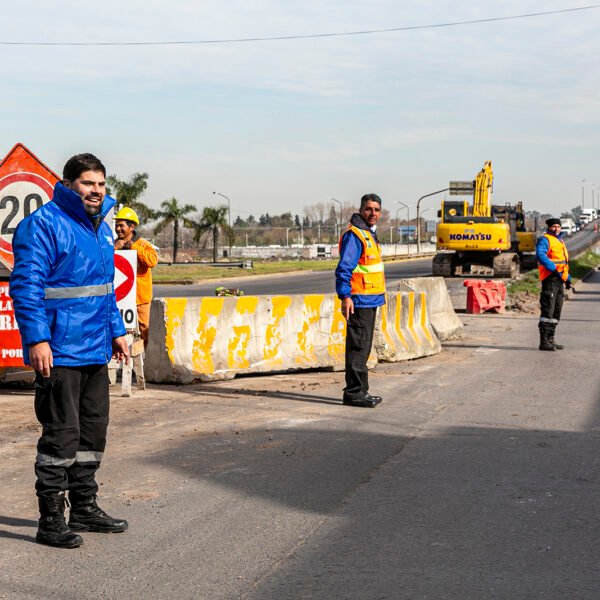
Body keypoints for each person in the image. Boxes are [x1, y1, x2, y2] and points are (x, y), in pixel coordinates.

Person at [9, 153, 130, 549]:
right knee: (61, 436)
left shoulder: (100, 228)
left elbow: (103, 289)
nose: (96, 191)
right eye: (87, 183)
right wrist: (37, 339)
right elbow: (26, 288)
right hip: (59, 350)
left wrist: (117, 331)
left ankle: (84, 507)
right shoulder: (42, 225)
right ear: (68, 184)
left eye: (100, 184)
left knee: (93, 432)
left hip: (95, 348)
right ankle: (51, 520)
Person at [335, 193, 386, 408]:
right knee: (357, 349)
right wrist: (345, 296)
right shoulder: (355, 235)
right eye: (368, 209)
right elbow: (344, 269)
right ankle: (354, 393)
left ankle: (361, 391)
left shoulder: (368, 234)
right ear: (361, 210)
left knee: (363, 349)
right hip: (358, 300)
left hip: (370, 300)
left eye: (376, 210)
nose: (372, 213)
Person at [113, 207, 158, 347]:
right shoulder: (113, 244)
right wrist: (115, 248)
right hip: (120, 299)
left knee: (145, 331)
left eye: (121, 225)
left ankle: (145, 360)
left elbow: (152, 261)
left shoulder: (143, 244)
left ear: (131, 226)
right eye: (116, 225)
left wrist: (134, 248)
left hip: (140, 299)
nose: (118, 229)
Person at [536, 217, 571, 351]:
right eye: (554, 227)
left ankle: (551, 339)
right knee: (548, 309)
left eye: (558, 226)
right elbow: (541, 255)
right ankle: (544, 341)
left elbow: (563, 262)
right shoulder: (545, 239)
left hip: (560, 279)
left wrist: (568, 278)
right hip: (550, 278)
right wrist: (554, 269)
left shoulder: (559, 240)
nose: (556, 229)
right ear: (549, 227)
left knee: (557, 309)